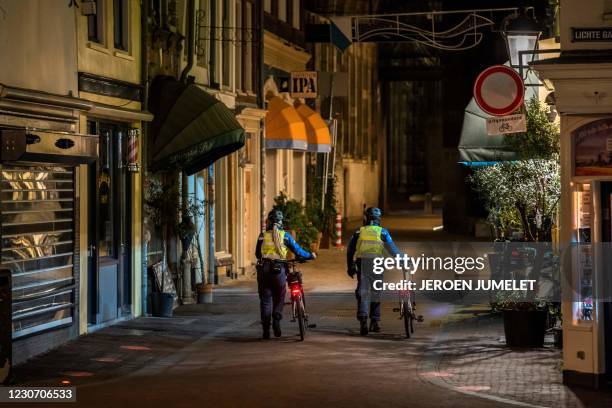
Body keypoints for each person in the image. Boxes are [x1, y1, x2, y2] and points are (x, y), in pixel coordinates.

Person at [255, 210, 316, 339]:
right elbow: (299, 251)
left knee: (265, 300)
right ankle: (276, 318)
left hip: (264, 270)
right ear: (281, 222)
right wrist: (310, 255)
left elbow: (257, 254)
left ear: (269, 221)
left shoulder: (262, 236)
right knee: (280, 294)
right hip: (279, 270)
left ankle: (266, 330)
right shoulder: (285, 236)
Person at [346, 207, 401, 335]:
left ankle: (363, 320)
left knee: (363, 291)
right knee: (376, 291)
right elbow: (393, 251)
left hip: (362, 264)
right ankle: (375, 321)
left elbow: (350, 251)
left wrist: (350, 266)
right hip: (377, 264)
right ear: (379, 219)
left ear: (366, 218)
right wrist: (403, 261)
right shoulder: (383, 232)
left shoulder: (358, 232)